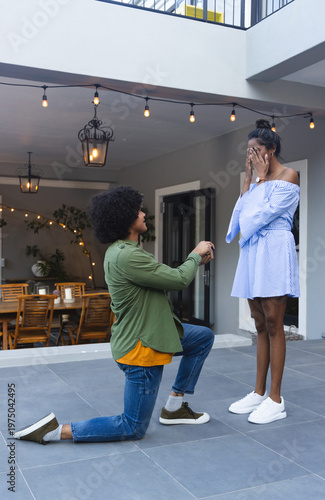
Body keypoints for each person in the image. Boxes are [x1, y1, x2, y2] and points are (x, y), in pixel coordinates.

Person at [14, 186, 215, 445]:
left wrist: (193, 262)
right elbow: (177, 279)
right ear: (125, 219)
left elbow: (163, 276)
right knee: (132, 427)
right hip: (142, 348)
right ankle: (56, 431)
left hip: (154, 333)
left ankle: (174, 407)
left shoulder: (121, 250)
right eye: (138, 210)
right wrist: (195, 255)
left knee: (202, 337)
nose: (144, 214)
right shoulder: (127, 255)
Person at [226, 119, 300, 425]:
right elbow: (239, 222)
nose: (252, 157)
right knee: (258, 322)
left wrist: (258, 180)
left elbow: (259, 218)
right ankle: (257, 392)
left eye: (257, 151)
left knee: (273, 322)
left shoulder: (289, 176)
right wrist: (247, 183)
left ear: (272, 149)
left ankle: (275, 398)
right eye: (248, 152)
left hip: (274, 252)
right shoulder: (255, 181)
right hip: (253, 252)